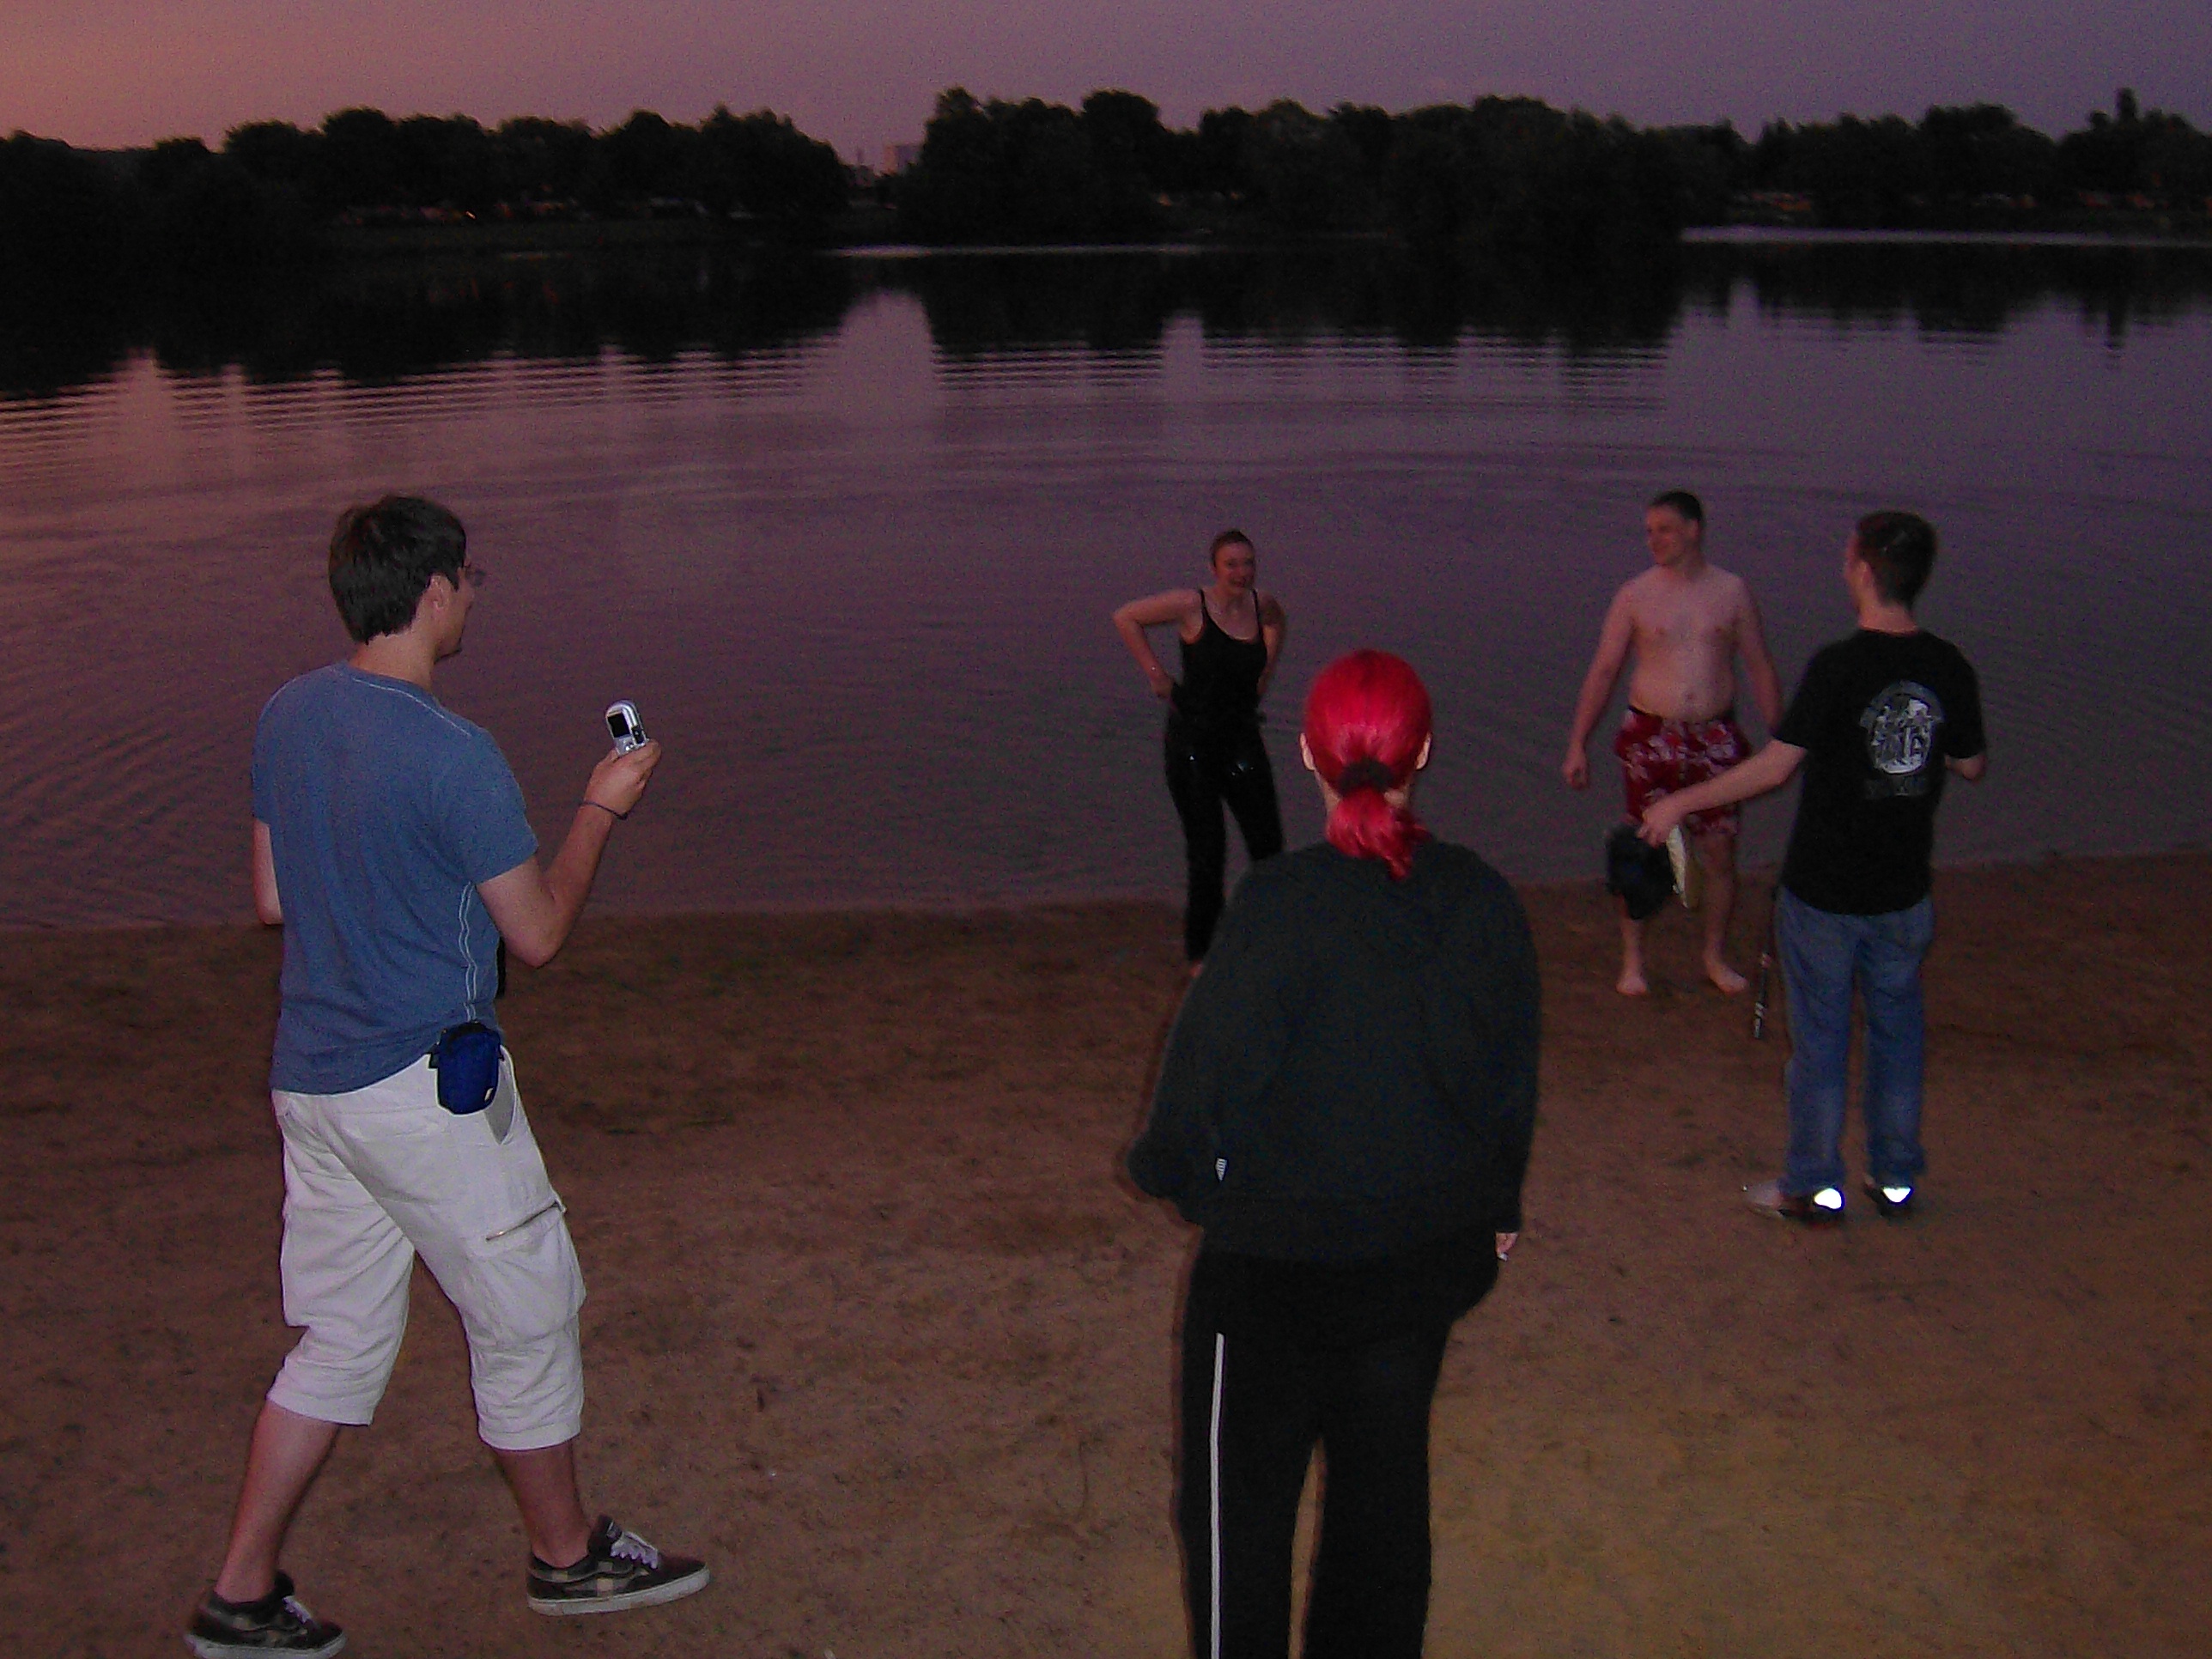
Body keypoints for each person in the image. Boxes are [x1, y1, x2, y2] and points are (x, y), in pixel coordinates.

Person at [187, 497, 708, 1659]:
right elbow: (539, 933)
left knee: (336, 1340)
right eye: (468, 579)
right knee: (528, 1308)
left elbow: (272, 898)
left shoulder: (286, 712)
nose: (473, 596)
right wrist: (599, 809)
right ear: (432, 592)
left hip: (313, 1086)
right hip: (423, 1095)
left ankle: (241, 1592)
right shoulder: (454, 752)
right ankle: (566, 1559)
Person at [1127, 650, 1539, 1659]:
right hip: (1419, 1263)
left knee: (1237, 1521)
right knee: (1380, 1505)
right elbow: (1505, 1080)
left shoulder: (1277, 902)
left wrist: (1182, 1180)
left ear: (1307, 755)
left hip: (1274, 1278)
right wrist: (1495, 1209)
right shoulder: (1480, 898)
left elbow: (1197, 1087)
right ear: (1422, 752)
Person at [1640, 510, 1986, 1223]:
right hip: (1903, 890)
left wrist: (1680, 802)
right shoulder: (1948, 664)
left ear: (1863, 570)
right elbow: (1971, 762)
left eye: (1847, 556)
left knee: (1821, 1042)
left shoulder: (1839, 666)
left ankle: (1814, 1185)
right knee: (1896, 1035)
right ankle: (1895, 1179)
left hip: (1826, 892)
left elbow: (1775, 767)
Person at [1563, 490, 1784, 996]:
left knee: (1719, 851)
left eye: (1664, 529)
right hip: (1651, 735)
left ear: (1693, 530)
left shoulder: (1732, 591)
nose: (1654, 540)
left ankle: (1713, 956)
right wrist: (1578, 743)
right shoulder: (1634, 595)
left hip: (1714, 736)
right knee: (1642, 848)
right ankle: (1633, 961)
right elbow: (1604, 670)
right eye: (1649, 531)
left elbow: (1759, 667)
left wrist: (1782, 739)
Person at [1113, 531, 1288, 963]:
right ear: (1214, 568)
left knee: (1269, 847)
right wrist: (1156, 675)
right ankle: (1201, 959)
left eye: (1248, 563)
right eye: (1232, 564)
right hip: (1192, 744)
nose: (1242, 572)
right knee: (1208, 853)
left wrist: (1265, 672)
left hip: (1242, 738)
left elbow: (1277, 623)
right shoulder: (1192, 605)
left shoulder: (1260, 603)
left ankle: (1269, 940)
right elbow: (1126, 617)